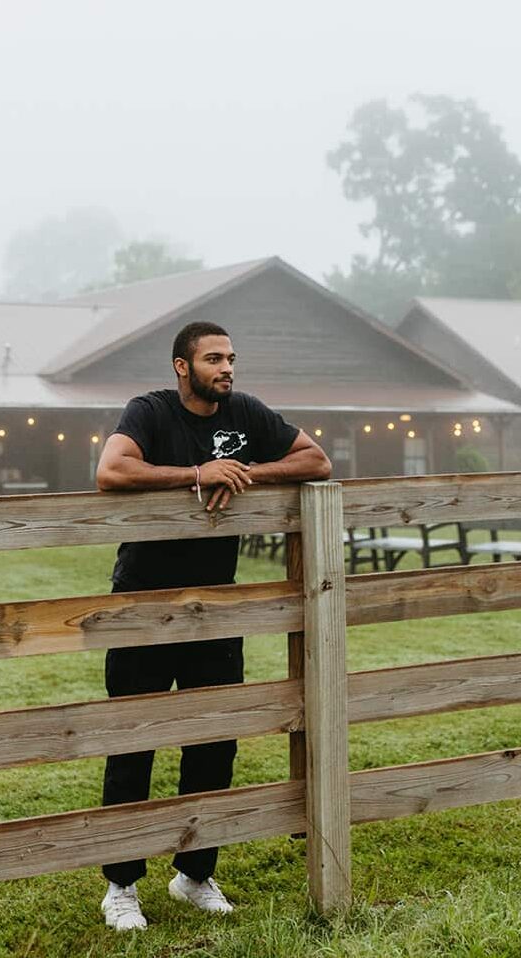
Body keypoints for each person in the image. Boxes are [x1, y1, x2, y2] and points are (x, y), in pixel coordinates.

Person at [95, 321, 332, 931]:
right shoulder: (148, 411)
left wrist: (244, 470)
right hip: (143, 604)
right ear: (182, 366)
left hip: (219, 607)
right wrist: (199, 473)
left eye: (231, 358)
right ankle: (121, 887)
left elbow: (316, 460)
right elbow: (112, 472)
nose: (227, 368)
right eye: (214, 359)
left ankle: (195, 874)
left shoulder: (246, 412)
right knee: (134, 739)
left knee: (215, 740)